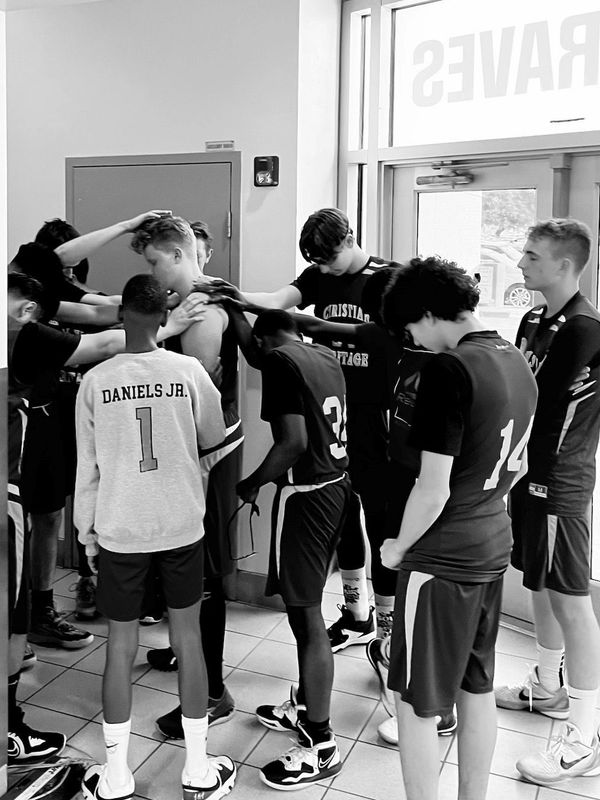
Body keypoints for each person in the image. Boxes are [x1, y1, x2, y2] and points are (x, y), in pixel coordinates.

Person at [380, 256, 537, 800]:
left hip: (443, 557)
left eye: (412, 330)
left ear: (427, 313)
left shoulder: (449, 370)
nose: (415, 342)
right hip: (494, 538)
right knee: (476, 688)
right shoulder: (515, 357)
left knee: (417, 702)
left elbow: (433, 486)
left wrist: (399, 547)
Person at [208, 208, 401, 650]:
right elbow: (279, 299)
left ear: (350, 237)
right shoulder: (317, 275)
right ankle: (357, 614)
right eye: (317, 260)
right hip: (329, 413)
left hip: (374, 418)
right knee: (345, 520)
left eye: (330, 257)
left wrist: (312, 324)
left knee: (380, 522)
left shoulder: (388, 278)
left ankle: (390, 633)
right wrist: (238, 297)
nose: (325, 266)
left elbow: (384, 337)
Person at [74, 274, 235, 800]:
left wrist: (86, 534)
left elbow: (88, 470)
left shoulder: (94, 382)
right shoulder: (188, 371)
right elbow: (214, 438)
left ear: (121, 316)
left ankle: (116, 774)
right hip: (180, 524)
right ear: (164, 317)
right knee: (188, 640)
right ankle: (197, 767)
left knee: (120, 647)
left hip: (121, 527)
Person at [224, 305, 350, 789]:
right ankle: (304, 705)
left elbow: (292, 443)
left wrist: (253, 483)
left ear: (266, 341)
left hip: (309, 495)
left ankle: (321, 742)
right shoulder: (322, 355)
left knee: (306, 615)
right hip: (338, 485)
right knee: (306, 609)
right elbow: (258, 353)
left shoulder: (278, 362)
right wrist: (237, 310)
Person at [494, 219, 600, 785]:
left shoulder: (586, 328)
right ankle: (548, 687)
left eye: (531, 257)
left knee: (570, 599)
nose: (519, 265)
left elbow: (541, 403)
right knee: (537, 581)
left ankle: (585, 737)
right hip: (525, 478)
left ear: (564, 265)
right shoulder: (534, 318)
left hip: (559, 482)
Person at [139, 219, 244, 735]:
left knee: (203, 573)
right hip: (189, 453)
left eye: (156, 261)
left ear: (179, 253)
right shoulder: (186, 306)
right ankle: (188, 656)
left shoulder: (203, 312)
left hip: (209, 453)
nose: (152, 272)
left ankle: (213, 693)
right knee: (180, 565)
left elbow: (188, 395)